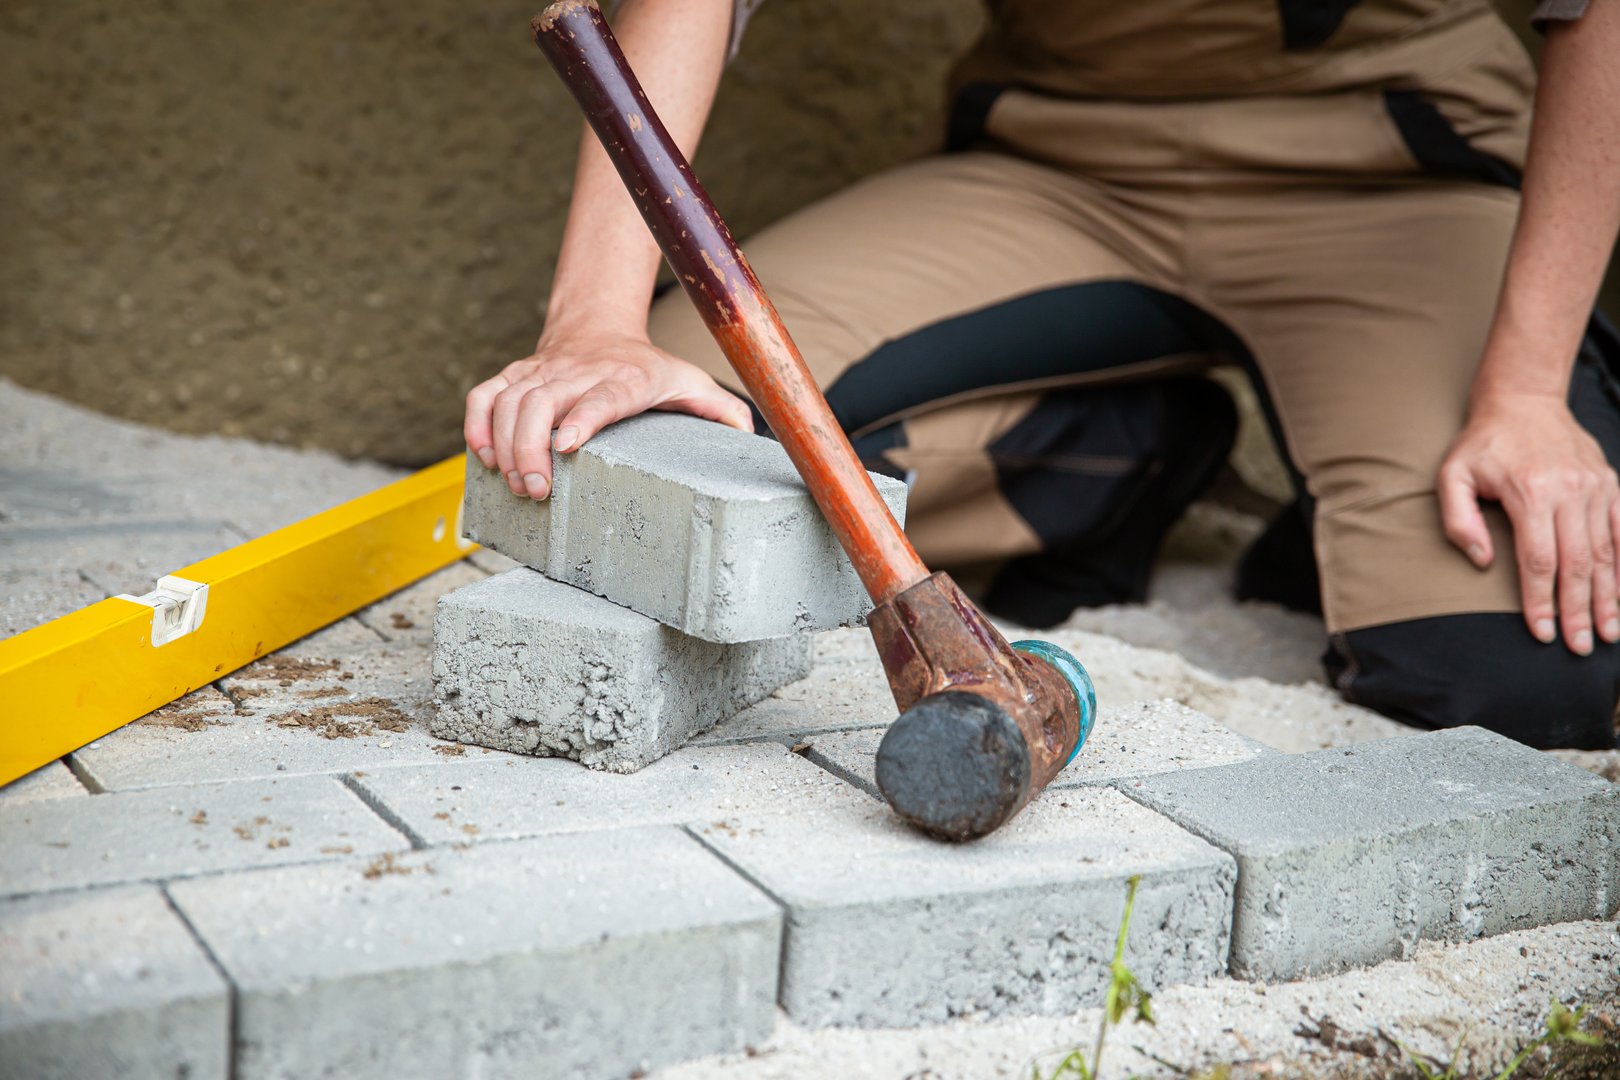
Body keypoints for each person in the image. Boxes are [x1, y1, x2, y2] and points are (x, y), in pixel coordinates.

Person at [464, 0, 1620, 751]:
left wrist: (1525, 389)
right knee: (635, 451)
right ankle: (1112, 461)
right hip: (1059, 156)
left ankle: (1360, 493)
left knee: (1527, 679)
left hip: (1389, 164)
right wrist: (593, 323)